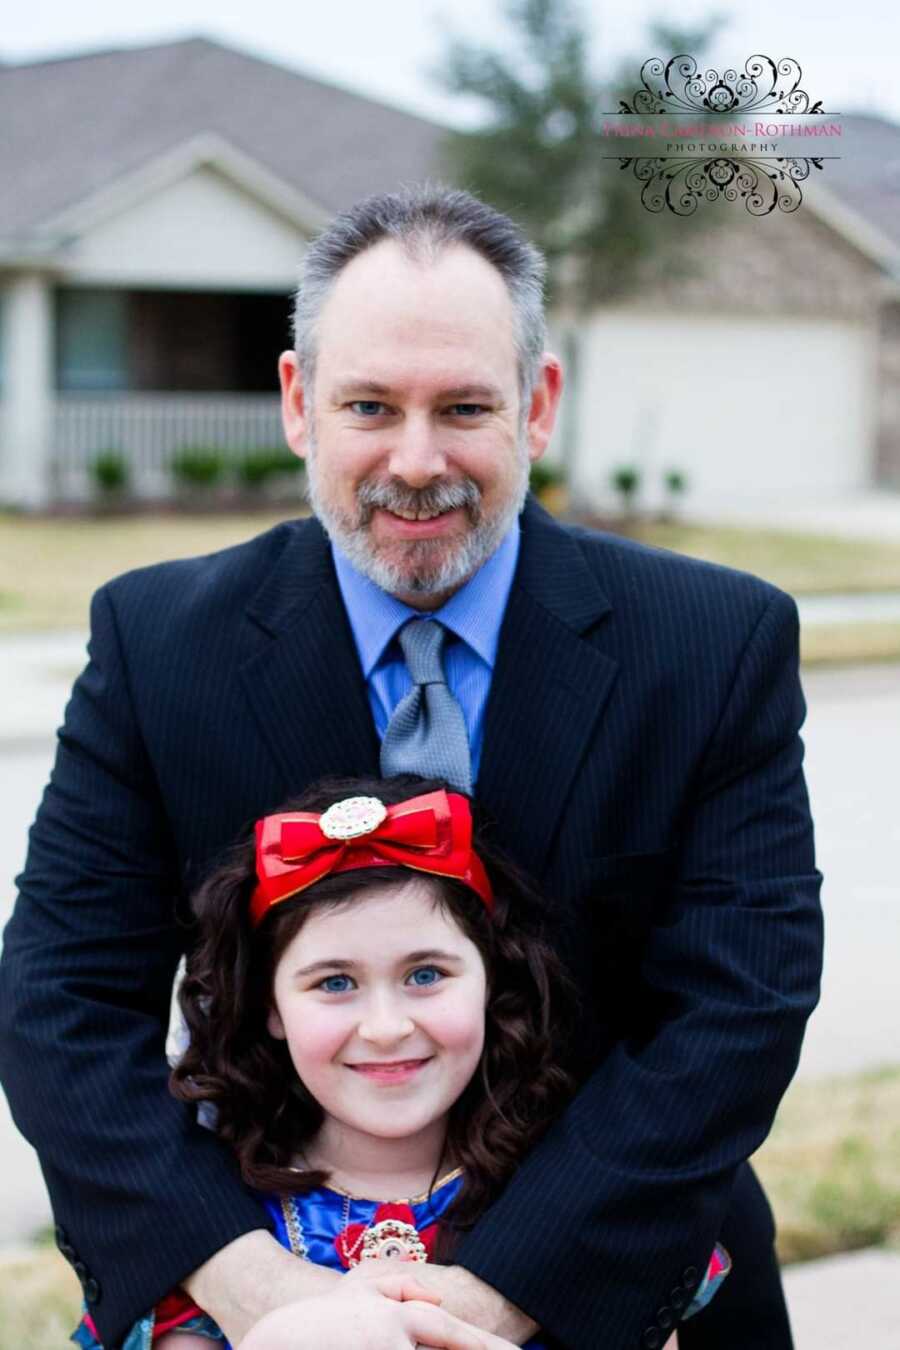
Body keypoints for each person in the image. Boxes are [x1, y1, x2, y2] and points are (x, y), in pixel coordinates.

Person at [0, 184, 823, 1350]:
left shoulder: (712, 644)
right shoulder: (158, 643)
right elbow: (57, 999)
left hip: (625, 1280)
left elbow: (740, 1005)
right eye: (371, 406)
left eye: (466, 406)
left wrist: (483, 1303)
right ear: (299, 404)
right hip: (252, 1291)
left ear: (538, 407)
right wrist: (257, 1300)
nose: (418, 460)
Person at [71, 775, 730, 1349]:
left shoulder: (569, 1209)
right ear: (269, 1004)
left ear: (490, 980)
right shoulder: (213, 1227)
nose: (386, 1028)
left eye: (425, 974)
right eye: (334, 982)